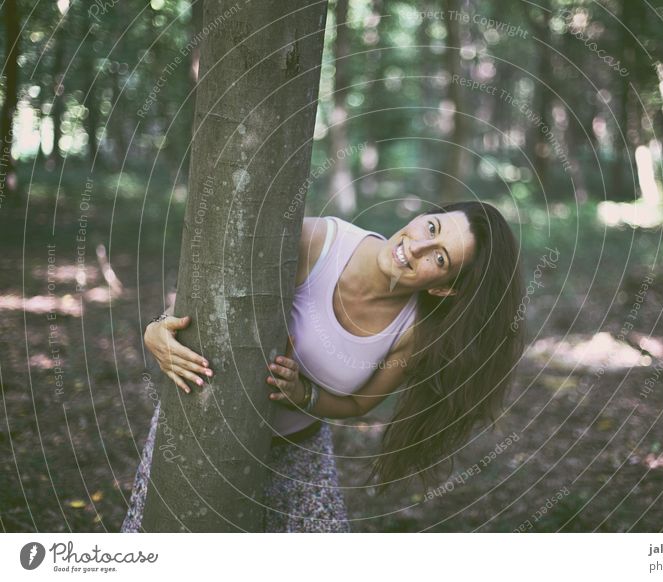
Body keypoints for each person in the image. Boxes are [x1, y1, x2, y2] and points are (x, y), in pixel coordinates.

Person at [120, 201, 524, 532]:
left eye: (439, 257)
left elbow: (359, 405)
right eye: (432, 228)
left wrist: (304, 394)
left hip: (298, 451)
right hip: (203, 431)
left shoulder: (413, 331)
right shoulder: (316, 242)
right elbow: (205, 300)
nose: (416, 247)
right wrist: (157, 328)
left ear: (443, 287)